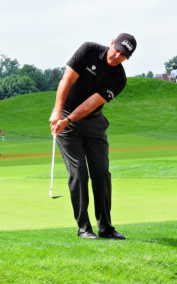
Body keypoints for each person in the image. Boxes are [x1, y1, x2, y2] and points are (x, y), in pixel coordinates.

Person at [49, 33, 137, 240]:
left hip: (92, 122)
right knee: (78, 172)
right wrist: (57, 112)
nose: (117, 56)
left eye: (123, 55)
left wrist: (68, 119)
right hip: (66, 120)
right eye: (117, 50)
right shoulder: (88, 50)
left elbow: (91, 104)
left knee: (101, 173)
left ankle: (105, 227)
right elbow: (66, 81)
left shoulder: (119, 79)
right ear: (111, 43)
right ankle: (84, 228)